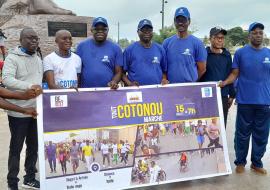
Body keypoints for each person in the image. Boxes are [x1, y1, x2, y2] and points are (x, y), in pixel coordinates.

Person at [220, 22, 270, 175]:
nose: (258, 35)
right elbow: (235, 74)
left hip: (264, 102)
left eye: (260, 32)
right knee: (242, 134)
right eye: (254, 32)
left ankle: (256, 163)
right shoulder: (241, 53)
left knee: (261, 135)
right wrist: (224, 83)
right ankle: (240, 162)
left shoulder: (268, 53)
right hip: (245, 101)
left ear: (263, 35)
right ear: (249, 35)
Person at [2, 27, 42, 190]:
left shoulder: (38, 58)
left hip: (36, 111)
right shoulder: (12, 58)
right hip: (18, 112)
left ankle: (30, 177)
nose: (34, 41)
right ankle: (12, 182)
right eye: (29, 38)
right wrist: (28, 86)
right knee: (16, 149)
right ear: (21, 40)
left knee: (34, 147)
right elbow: (7, 80)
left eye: (36, 38)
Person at [200, 27, 235, 127]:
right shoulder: (203, 53)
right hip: (206, 96)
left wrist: (232, 95)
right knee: (206, 124)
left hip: (223, 96)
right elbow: (199, 73)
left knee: (221, 125)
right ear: (210, 39)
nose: (220, 40)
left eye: (222, 38)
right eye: (217, 37)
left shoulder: (227, 55)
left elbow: (230, 74)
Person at [162, 7, 207, 83]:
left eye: (183, 20)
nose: (180, 23)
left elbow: (202, 69)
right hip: (171, 89)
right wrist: (165, 79)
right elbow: (163, 67)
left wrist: (192, 82)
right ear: (174, 22)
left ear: (189, 21)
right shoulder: (166, 43)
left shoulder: (197, 43)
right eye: (178, 20)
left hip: (189, 89)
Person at [77, 17, 123, 89]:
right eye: (97, 29)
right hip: (86, 92)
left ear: (107, 30)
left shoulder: (116, 48)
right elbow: (77, 70)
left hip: (107, 91)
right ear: (92, 30)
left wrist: (114, 81)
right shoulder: (81, 46)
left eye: (103, 29)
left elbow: (119, 72)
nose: (100, 31)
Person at [122, 19, 167, 86]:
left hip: (156, 91)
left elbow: (164, 71)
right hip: (136, 93)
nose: (147, 32)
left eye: (149, 30)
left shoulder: (160, 49)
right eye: (143, 30)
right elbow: (122, 73)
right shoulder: (129, 50)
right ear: (138, 32)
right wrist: (130, 84)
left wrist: (164, 79)